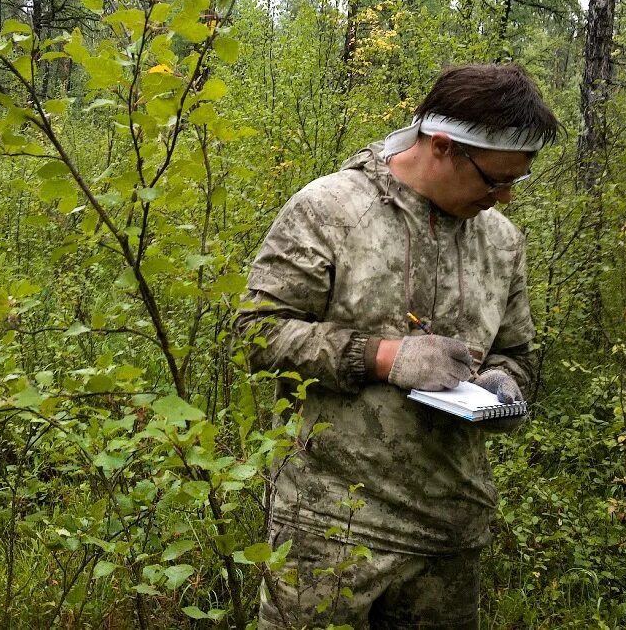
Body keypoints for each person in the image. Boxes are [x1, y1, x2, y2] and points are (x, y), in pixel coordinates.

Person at [238, 64, 560, 629]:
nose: (504, 197)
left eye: (517, 180)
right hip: (330, 519)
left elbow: (516, 351)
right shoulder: (331, 211)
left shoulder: (502, 242)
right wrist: (383, 357)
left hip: (450, 529)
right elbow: (257, 333)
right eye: (495, 179)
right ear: (442, 146)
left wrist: (507, 385)